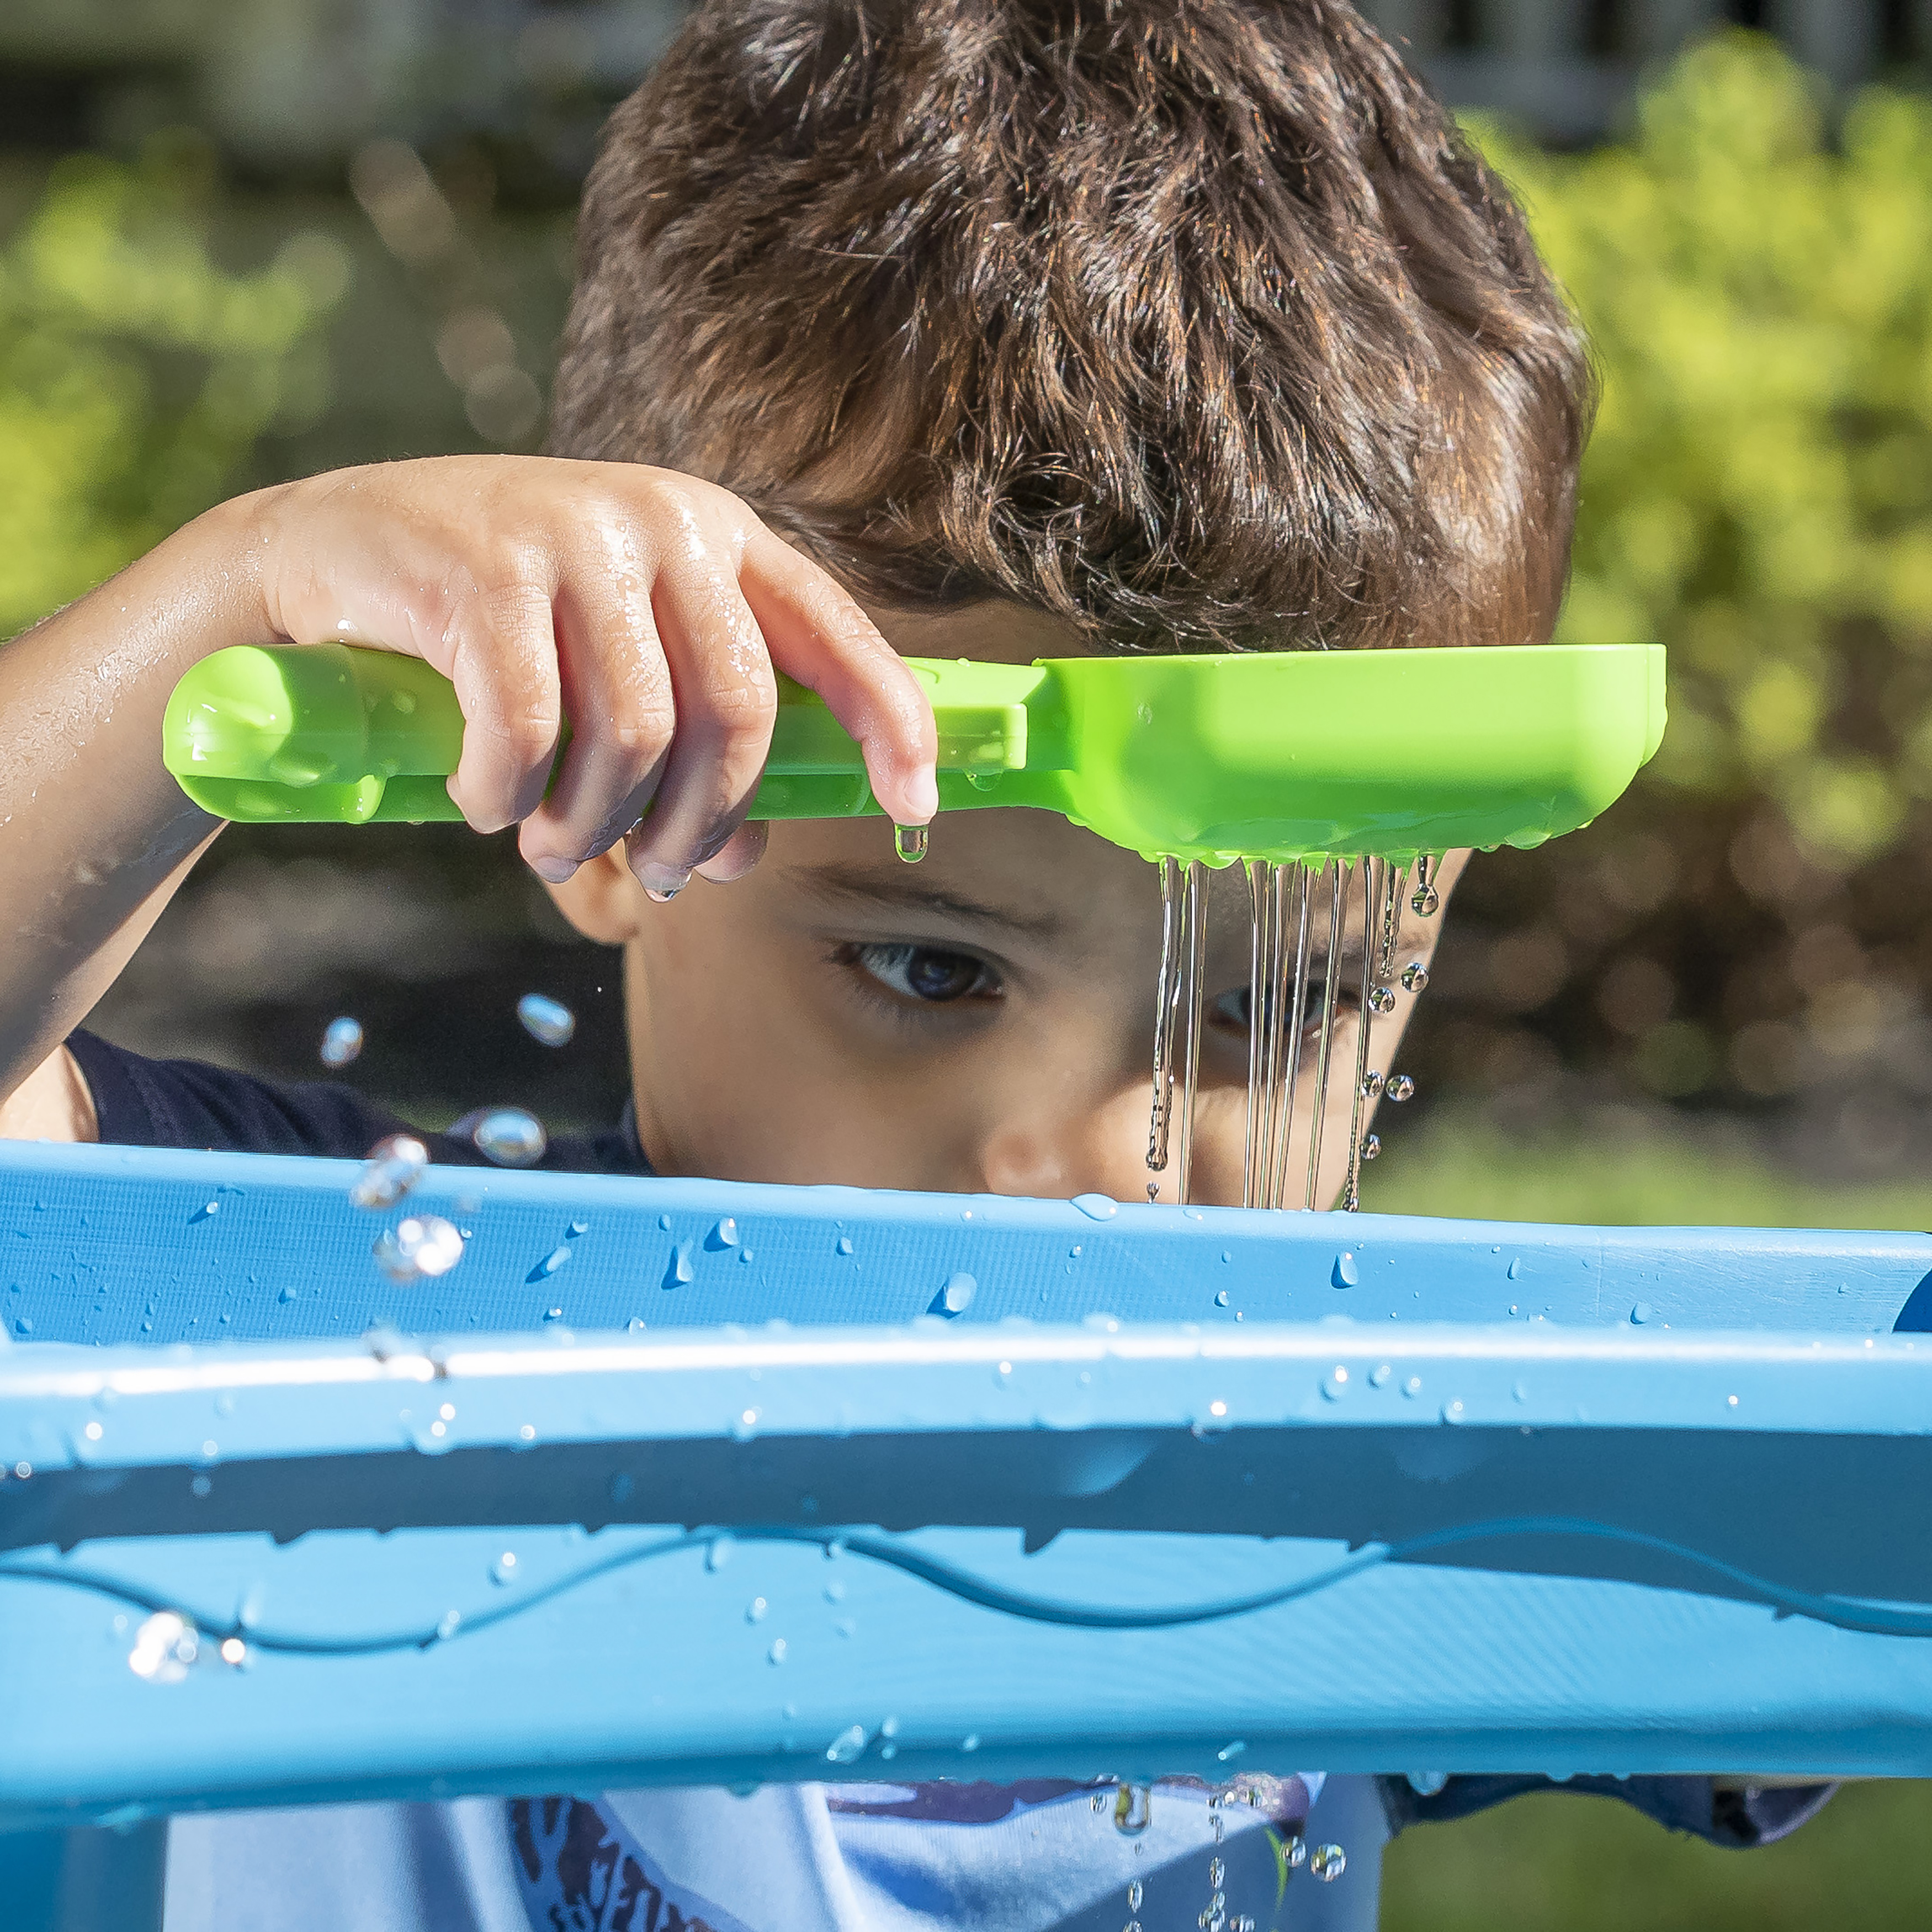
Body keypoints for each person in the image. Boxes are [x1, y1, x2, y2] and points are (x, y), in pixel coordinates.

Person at [0, 2, 1830, 1926]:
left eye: (1268, 1002)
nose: (1096, 1159)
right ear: (618, 813)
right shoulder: (388, 1328)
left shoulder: (1336, 1482)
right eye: (936, 972)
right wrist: (245, 584)